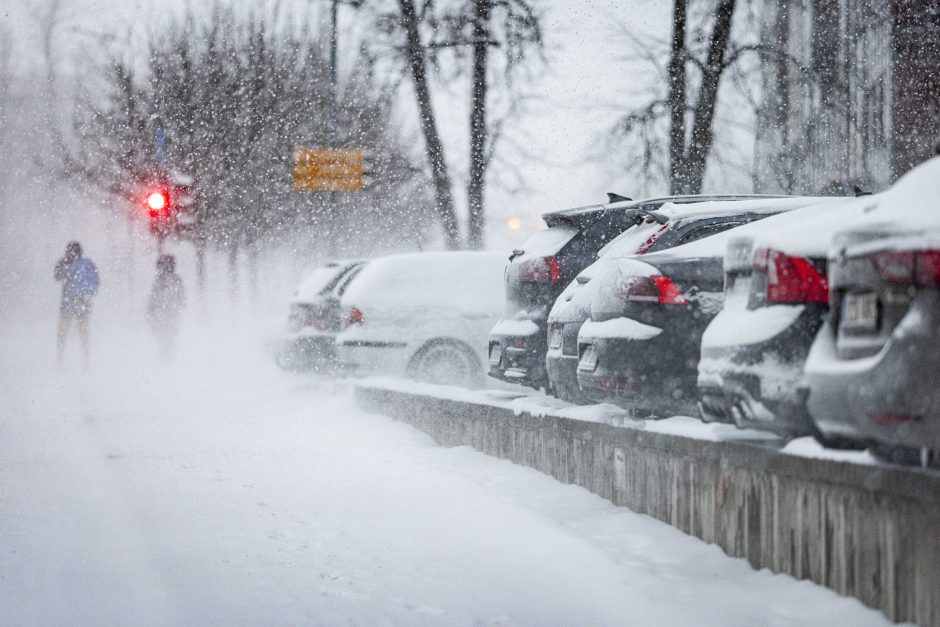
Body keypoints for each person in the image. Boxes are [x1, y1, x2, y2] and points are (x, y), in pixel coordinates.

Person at [54, 241, 99, 364]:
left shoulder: (64, 263)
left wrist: (66, 270)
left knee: (62, 333)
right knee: (83, 334)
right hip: (83, 304)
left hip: (67, 304)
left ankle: (60, 358)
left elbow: (57, 276)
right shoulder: (87, 264)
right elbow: (96, 282)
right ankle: (85, 360)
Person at [147, 254, 186, 359]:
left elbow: (153, 298)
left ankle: (165, 355)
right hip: (170, 313)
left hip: (163, 313)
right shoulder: (176, 280)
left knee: (164, 335)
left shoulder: (160, 280)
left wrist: (151, 311)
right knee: (169, 335)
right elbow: (182, 298)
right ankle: (168, 354)